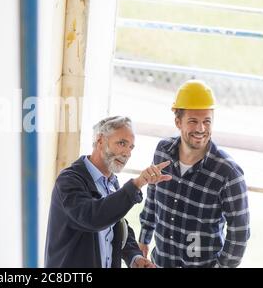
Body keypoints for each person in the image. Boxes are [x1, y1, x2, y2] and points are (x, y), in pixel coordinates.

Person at [138, 80, 250, 268]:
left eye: (207, 121)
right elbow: (152, 198)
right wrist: (144, 239)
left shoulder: (228, 173)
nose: (201, 129)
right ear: (177, 122)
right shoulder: (162, 151)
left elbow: (239, 234)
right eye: (193, 121)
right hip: (160, 263)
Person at [44, 116, 172, 268]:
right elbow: (93, 217)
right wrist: (136, 184)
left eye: (131, 147)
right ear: (100, 141)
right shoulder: (69, 180)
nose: (127, 153)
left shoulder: (111, 183)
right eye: (122, 143)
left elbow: (117, 226)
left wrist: (134, 257)